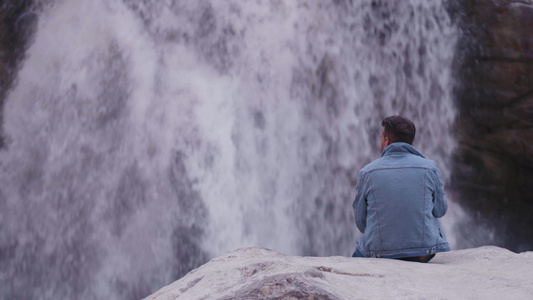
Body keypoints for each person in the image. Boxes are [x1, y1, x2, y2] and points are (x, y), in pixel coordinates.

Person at [352, 115, 450, 263]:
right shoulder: (430, 168)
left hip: (379, 253)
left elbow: (361, 222)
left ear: (386, 141)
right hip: (422, 253)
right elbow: (440, 210)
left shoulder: (367, 172)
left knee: (357, 257)